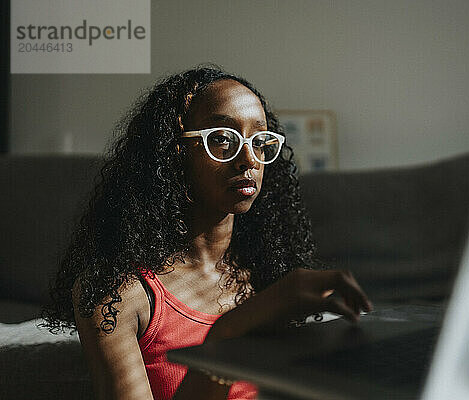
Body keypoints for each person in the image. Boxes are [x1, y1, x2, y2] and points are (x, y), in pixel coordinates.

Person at [41, 66, 372, 400]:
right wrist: (227, 333)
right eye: (223, 140)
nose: (249, 160)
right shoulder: (115, 294)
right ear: (173, 152)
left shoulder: (269, 275)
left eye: (260, 142)